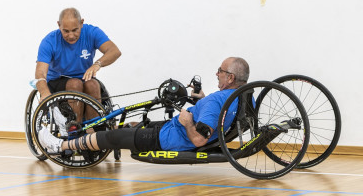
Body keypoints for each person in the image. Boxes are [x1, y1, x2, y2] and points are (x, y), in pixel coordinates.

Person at [38, 57, 249, 153]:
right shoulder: (240, 97)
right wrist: (200, 101)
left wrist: (187, 121)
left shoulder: (215, 101)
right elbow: (214, 115)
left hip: (171, 138)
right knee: (133, 124)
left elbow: (199, 139)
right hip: (172, 129)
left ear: (230, 78)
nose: (216, 73)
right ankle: (91, 139)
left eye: (220, 71)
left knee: (112, 138)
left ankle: (61, 145)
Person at [34, 8, 121, 134]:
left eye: (75, 30)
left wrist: (97, 64)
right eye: (66, 31)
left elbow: (114, 51)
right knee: (75, 84)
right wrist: (44, 93)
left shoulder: (92, 32)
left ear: (81, 23)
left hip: (84, 78)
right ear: (59, 25)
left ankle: (96, 131)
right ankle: (75, 131)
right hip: (58, 81)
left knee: (93, 84)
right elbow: (40, 74)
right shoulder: (49, 41)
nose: (71, 35)